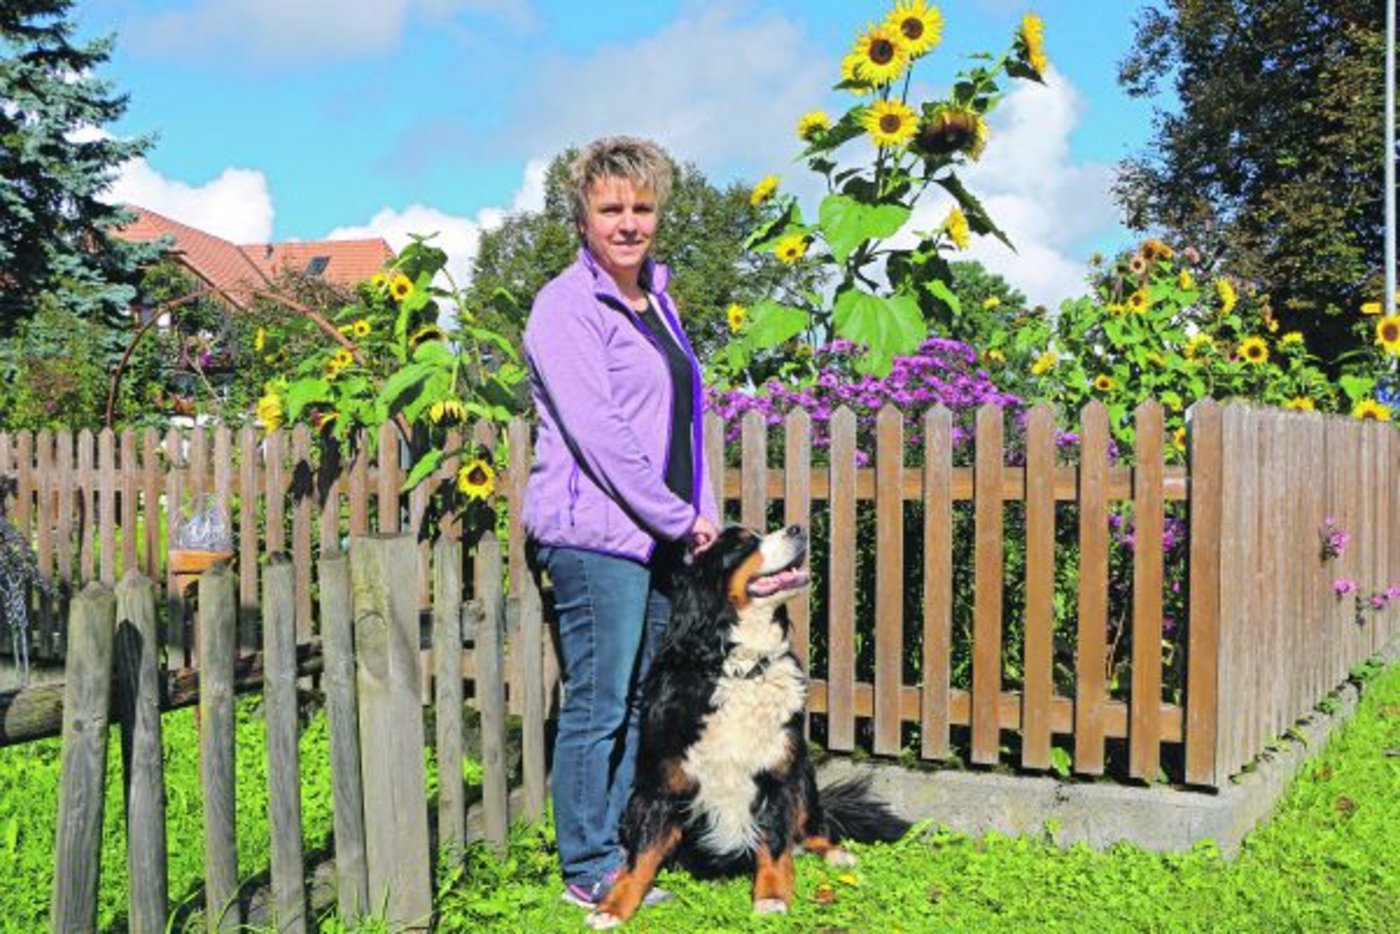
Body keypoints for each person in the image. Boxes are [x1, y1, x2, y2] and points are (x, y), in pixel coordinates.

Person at [521, 136, 720, 909]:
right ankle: (586, 865)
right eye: (611, 209)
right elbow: (600, 433)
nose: (629, 223)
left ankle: (615, 846)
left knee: (640, 698)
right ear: (583, 218)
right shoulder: (565, 306)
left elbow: (685, 421)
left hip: (659, 533)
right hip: (595, 536)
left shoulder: (659, 301)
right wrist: (675, 514)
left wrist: (700, 512)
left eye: (642, 207)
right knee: (599, 704)